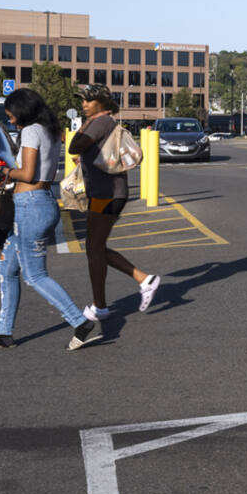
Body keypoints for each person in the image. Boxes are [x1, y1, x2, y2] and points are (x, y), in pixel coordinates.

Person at [0, 88, 100, 350]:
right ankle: (4, 332)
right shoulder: (50, 130)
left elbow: (28, 173)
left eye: (11, 114)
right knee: (8, 268)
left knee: (34, 275)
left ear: (23, 109)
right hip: (41, 203)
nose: (10, 119)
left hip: (30, 207)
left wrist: (3, 172)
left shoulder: (31, 131)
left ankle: (80, 322)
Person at [67, 85, 159, 322]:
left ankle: (102, 305)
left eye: (89, 101)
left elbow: (73, 146)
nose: (84, 104)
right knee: (94, 246)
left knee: (94, 247)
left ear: (102, 103)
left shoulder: (100, 122)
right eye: (82, 100)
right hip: (106, 193)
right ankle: (140, 281)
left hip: (107, 194)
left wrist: (85, 127)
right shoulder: (103, 123)